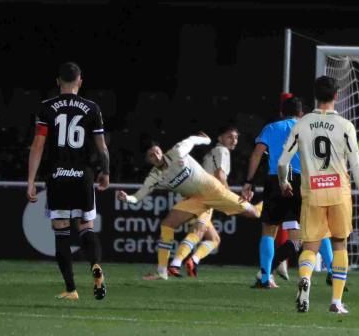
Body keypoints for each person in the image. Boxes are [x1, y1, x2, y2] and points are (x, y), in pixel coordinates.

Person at [277, 76, 359, 314]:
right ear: (336, 96)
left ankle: (306, 278)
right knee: (340, 245)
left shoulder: (302, 123)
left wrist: (284, 182)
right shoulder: (345, 125)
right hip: (339, 192)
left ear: (316, 96)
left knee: (310, 245)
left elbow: (282, 162)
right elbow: (356, 165)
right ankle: (336, 302)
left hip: (313, 192)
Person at [116, 133, 260, 280]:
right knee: (167, 224)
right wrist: (127, 198)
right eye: (152, 155)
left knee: (254, 213)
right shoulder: (154, 177)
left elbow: (192, 140)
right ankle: (162, 271)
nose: (157, 156)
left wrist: (207, 139)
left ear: (161, 150)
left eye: (158, 152)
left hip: (213, 190)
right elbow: (138, 196)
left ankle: (264, 206)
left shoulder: (177, 152)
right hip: (195, 199)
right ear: (148, 160)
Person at [26, 61, 109, 301]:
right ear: (80, 81)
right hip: (83, 175)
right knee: (86, 227)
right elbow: (102, 147)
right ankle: (95, 264)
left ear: (57, 81)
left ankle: (71, 289)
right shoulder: (92, 108)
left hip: (57, 175)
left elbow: (38, 145)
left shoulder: (46, 108)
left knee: (61, 232)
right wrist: (105, 171)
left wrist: (30, 180)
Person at [242, 96, 335, 289]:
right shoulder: (310, 127)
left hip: (276, 179)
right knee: (318, 227)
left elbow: (257, 154)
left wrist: (249, 181)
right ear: (301, 113)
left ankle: (266, 277)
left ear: (282, 112)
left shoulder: (272, 128)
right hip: (303, 180)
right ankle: (334, 272)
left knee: (269, 230)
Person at [169, 125, 239, 277]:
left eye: (236, 137)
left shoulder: (212, 152)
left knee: (214, 239)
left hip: (198, 193)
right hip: (205, 196)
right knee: (198, 231)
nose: (234, 140)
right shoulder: (222, 151)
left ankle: (193, 261)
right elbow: (220, 175)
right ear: (220, 138)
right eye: (230, 136)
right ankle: (175, 264)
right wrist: (231, 198)